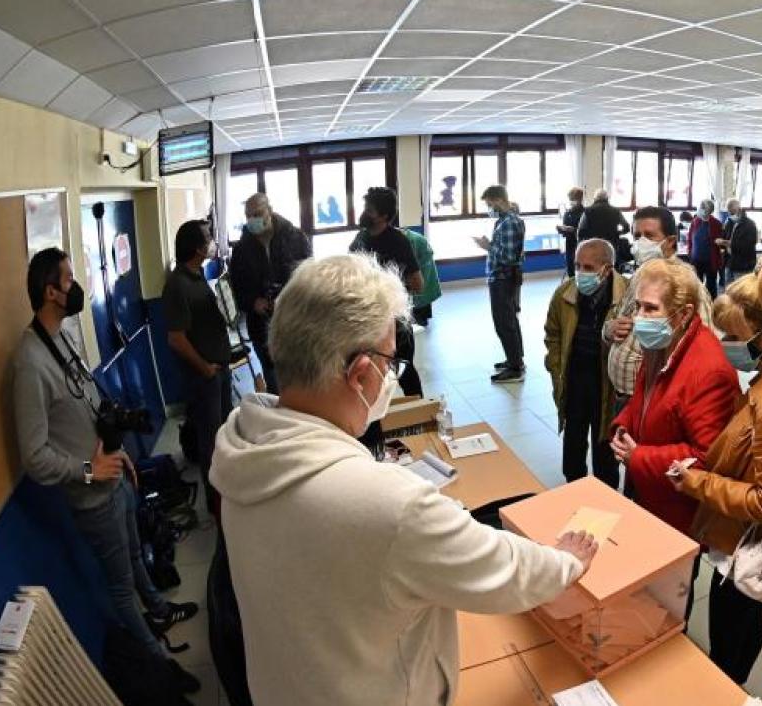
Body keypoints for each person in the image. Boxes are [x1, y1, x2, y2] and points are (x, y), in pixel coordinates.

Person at [210, 254, 598, 705]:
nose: (391, 378)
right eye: (389, 363)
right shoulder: (391, 506)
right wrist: (567, 561)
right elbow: (506, 572)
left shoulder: (244, 447)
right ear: (359, 374)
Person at [13, 248, 199, 685]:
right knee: (119, 585)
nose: (76, 286)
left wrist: (121, 456)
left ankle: (158, 608)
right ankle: (158, 665)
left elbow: (89, 405)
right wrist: (90, 470)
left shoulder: (60, 336)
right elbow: (34, 455)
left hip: (115, 478)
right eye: (69, 279)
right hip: (92, 496)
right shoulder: (29, 363)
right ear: (51, 292)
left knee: (136, 554)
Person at [669, 258, 762, 684]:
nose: (723, 343)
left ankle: (727, 690)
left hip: (745, 546)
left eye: (732, 336)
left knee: (732, 634)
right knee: (739, 623)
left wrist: (696, 481)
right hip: (742, 540)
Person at [610, 258, 738, 536]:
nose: (638, 318)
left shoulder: (708, 370)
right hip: (650, 490)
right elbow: (643, 398)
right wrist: (623, 425)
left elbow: (707, 457)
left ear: (682, 315)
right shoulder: (661, 342)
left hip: (678, 509)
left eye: (651, 308)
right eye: (638, 306)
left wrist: (639, 457)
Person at [603, 206, 713, 417]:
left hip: (656, 402)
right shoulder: (642, 274)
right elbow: (619, 318)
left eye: (649, 236)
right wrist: (609, 330)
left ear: (670, 241)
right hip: (627, 398)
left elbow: (703, 345)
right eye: (637, 235)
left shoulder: (687, 284)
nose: (640, 242)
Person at [544, 239, 627, 488]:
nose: (581, 273)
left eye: (588, 268)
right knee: (573, 444)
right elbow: (553, 334)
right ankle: (574, 487)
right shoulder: (564, 293)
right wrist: (556, 368)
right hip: (575, 379)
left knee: (605, 449)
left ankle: (606, 494)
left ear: (607, 268)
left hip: (608, 384)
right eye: (577, 265)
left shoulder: (627, 296)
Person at [163, 220, 233, 516]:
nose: (212, 241)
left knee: (224, 434)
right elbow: (176, 338)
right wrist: (204, 368)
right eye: (208, 238)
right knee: (211, 441)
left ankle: (228, 493)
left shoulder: (198, 275)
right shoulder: (177, 284)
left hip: (219, 369)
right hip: (205, 377)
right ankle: (215, 506)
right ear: (196, 247)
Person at [230, 193, 312, 395]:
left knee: (302, 378)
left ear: (270, 211)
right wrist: (252, 302)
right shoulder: (241, 249)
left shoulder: (296, 238)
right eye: (248, 215)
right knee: (274, 382)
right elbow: (237, 289)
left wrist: (286, 299)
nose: (253, 219)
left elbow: (310, 278)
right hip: (261, 326)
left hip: (295, 323)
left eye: (257, 213)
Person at [351, 186, 424, 396]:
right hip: (367, 319)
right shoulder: (361, 239)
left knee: (404, 371)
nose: (365, 212)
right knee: (368, 374)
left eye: (370, 210)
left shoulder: (398, 241)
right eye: (365, 207)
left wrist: (388, 289)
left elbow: (418, 283)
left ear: (383, 216)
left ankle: (418, 413)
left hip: (395, 321)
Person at [474, 185, 526, 383]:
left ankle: (515, 368)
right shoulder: (505, 220)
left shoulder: (509, 222)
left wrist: (488, 247)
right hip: (504, 277)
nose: (489, 208)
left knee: (504, 323)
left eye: (489, 203)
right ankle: (515, 359)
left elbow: (509, 257)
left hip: (503, 278)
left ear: (498, 200)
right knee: (510, 319)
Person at [404, 226, 441, 328]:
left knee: (421, 295)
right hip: (420, 269)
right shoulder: (409, 238)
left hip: (423, 269)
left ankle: (420, 321)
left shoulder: (416, 240)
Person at [688, 199, 724, 299]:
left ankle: (712, 307)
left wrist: (720, 242)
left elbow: (720, 243)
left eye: (704, 209)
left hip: (710, 261)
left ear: (709, 211)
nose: (701, 210)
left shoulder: (716, 224)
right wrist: (690, 254)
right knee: (696, 286)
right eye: (701, 208)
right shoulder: (695, 221)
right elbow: (690, 239)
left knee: (711, 287)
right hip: (696, 260)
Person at [717, 198, 759, 283]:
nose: (730, 214)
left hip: (743, 265)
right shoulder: (729, 222)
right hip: (729, 263)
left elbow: (748, 246)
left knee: (741, 292)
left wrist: (728, 243)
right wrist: (721, 242)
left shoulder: (750, 225)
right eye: (729, 212)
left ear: (739, 209)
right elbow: (724, 238)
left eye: (732, 212)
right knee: (729, 290)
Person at [556, 187, 585, 277]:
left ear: (580, 199)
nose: (571, 201)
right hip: (570, 244)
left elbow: (587, 230)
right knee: (570, 269)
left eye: (573, 199)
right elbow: (565, 231)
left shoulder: (585, 213)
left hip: (582, 244)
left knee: (581, 269)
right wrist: (561, 229)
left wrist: (574, 230)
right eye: (570, 199)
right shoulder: (567, 212)